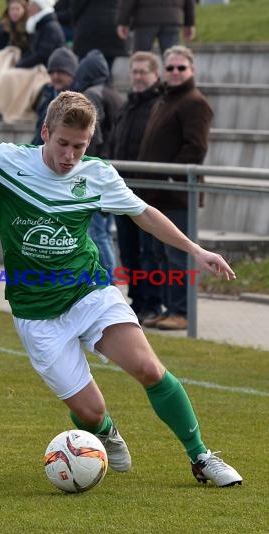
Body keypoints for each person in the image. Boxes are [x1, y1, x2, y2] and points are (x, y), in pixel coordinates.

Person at [0, 91, 243, 488]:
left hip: (88, 291)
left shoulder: (97, 174)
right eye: (63, 144)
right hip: (36, 312)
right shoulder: (8, 161)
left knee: (149, 369)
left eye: (80, 146)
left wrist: (195, 249)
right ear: (45, 132)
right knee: (90, 413)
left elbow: (145, 215)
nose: (70, 155)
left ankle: (202, 457)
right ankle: (103, 430)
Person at [137, 45, 213, 331]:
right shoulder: (165, 100)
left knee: (177, 256)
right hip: (158, 193)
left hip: (178, 195)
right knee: (160, 255)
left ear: (191, 70)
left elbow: (196, 147)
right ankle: (169, 308)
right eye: (170, 68)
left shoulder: (194, 102)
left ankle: (181, 312)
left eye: (181, 68)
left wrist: (170, 177)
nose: (176, 72)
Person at [109, 51, 163, 322]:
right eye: (135, 71)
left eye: (144, 72)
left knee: (149, 252)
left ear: (155, 75)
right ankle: (138, 301)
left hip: (146, 192)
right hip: (123, 190)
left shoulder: (159, 105)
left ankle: (153, 303)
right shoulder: (127, 105)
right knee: (128, 250)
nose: (139, 77)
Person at [73, 49, 125, 278]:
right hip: (112, 169)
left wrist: (81, 167)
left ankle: (106, 283)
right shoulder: (114, 93)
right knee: (103, 231)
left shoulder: (91, 95)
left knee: (97, 232)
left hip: (96, 171)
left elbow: (93, 137)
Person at [32, 46, 78, 145]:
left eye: (61, 72)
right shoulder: (46, 98)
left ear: (72, 74)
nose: (56, 76)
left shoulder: (78, 103)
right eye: (52, 72)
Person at [116, 0, 196, 54]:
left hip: (145, 20)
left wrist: (123, 22)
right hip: (171, 18)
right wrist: (189, 23)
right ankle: (174, 78)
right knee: (171, 56)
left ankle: (142, 79)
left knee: (141, 57)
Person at [72, 0, 128, 71]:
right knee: (106, 70)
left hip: (88, 29)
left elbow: (76, 8)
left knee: (85, 72)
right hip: (111, 27)